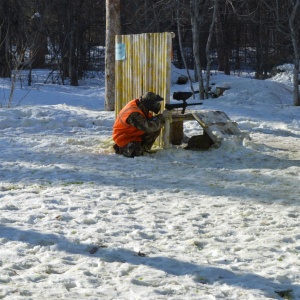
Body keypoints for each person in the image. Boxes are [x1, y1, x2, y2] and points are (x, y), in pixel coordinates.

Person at [112, 91, 166, 158]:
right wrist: (162, 117)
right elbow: (148, 127)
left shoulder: (140, 106)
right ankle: (121, 149)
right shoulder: (134, 113)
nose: (157, 105)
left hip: (133, 134)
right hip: (123, 138)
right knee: (135, 152)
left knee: (157, 124)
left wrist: (160, 118)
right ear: (148, 104)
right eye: (155, 103)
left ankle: (143, 148)